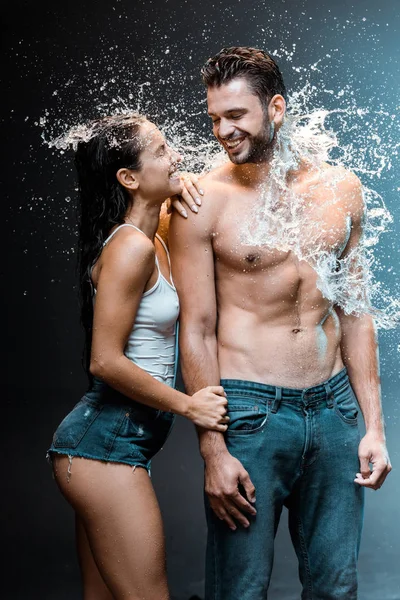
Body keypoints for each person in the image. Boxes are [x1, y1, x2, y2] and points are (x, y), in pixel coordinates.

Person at [169, 47, 392, 599]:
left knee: (336, 588)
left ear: (275, 107)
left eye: (236, 115)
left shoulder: (341, 189)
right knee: (240, 589)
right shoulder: (204, 201)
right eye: (214, 118)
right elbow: (195, 329)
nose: (222, 130)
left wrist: (373, 427)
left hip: (335, 410)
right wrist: (212, 452)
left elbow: (356, 313)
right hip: (249, 415)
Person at [47, 113, 229, 600]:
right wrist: (189, 405)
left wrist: (178, 182)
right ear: (128, 178)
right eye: (163, 152)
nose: (178, 157)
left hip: (102, 450)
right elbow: (104, 362)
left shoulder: (155, 239)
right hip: (102, 449)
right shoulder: (130, 248)